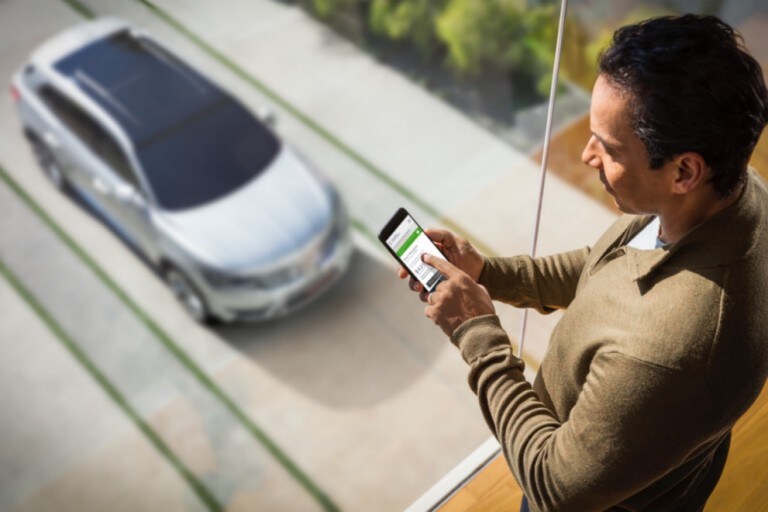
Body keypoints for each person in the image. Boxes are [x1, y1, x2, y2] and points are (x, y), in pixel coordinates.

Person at [399, 14, 768, 511]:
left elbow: (555, 486)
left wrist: (477, 334)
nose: (588, 155)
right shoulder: (739, 194)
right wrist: (487, 273)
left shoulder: (671, 349)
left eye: (610, 147)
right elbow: (606, 267)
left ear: (684, 170)